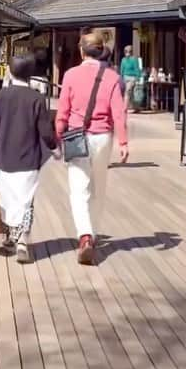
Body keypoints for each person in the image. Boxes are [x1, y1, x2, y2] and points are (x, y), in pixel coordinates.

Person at [56, 28, 128, 266]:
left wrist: (58, 134)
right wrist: (124, 142)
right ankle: (93, 234)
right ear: (101, 51)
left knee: (79, 189)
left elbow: (63, 110)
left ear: (81, 51)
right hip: (103, 136)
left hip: (77, 136)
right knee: (99, 187)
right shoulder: (113, 77)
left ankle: (84, 235)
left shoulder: (70, 75)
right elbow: (119, 112)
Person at [0, 52, 56, 263]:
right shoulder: (37, 98)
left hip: (2, 156)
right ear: (31, 73)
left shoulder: (2, 95)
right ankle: (23, 241)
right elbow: (44, 130)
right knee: (26, 200)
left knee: (6, 198)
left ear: (10, 71)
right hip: (28, 158)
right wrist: (54, 147)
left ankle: (9, 238)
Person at [119, 45, 141, 112]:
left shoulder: (134, 59)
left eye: (129, 51)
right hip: (125, 77)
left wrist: (138, 77)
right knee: (131, 94)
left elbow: (137, 69)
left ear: (131, 52)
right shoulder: (123, 60)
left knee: (128, 92)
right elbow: (122, 69)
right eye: (126, 51)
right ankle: (135, 107)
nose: (127, 52)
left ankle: (125, 107)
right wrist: (121, 78)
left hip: (132, 78)